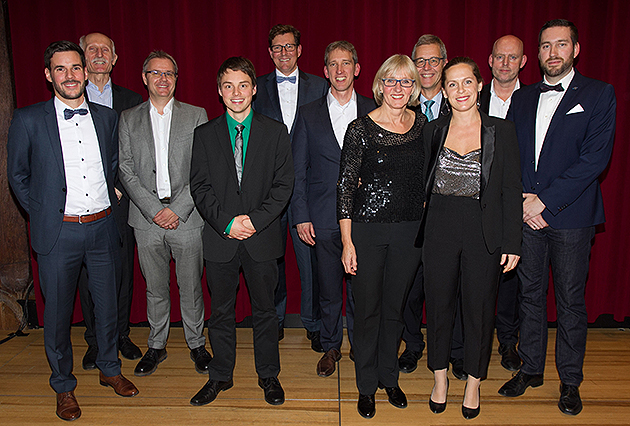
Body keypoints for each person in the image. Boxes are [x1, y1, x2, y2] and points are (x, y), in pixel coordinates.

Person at [7, 40, 139, 421]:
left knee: (109, 307)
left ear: (86, 71)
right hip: (58, 233)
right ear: (49, 75)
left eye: (76, 68)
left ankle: (109, 370)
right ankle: (63, 386)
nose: (70, 75)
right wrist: (46, 213)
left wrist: (111, 194)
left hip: (102, 229)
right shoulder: (28, 119)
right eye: (61, 69)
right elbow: (18, 175)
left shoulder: (107, 117)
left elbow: (112, 164)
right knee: (59, 315)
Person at [498, 19, 616, 416]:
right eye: (546, 45)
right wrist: (521, 202)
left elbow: (593, 162)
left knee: (569, 303)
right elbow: (509, 157)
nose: (553, 53)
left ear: (575, 49)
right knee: (529, 297)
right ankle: (531, 369)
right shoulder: (523, 96)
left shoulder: (599, 94)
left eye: (561, 45)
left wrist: (543, 203)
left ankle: (570, 381)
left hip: (570, 217)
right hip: (526, 217)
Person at [419, 57, 522, 420]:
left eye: (466, 83)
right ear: (443, 91)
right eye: (452, 84)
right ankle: (440, 378)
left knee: (479, 311)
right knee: (440, 306)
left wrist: (512, 242)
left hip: (484, 231)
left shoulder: (501, 130)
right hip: (440, 229)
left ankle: (474, 382)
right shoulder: (433, 129)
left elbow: (511, 190)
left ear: (479, 85)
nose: (460, 90)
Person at [189, 57, 294, 406]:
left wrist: (253, 221)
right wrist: (227, 222)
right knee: (220, 312)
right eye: (229, 86)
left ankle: (268, 375)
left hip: (261, 238)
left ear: (254, 89)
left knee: (266, 312)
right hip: (220, 239)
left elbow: (283, 186)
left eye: (243, 85)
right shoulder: (203, 135)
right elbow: (200, 187)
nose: (237, 93)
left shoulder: (275, 132)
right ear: (220, 91)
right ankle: (221, 376)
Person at [337, 54, 425, 419]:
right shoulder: (360, 129)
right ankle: (365, 385)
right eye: (392, 81)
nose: (398, 89)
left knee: (394, 310)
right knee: (368, 312)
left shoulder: (423, 126)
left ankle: (389, 377)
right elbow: (344, 188)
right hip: (367, 231)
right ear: (380, 85)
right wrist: (347, 242)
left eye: (406, 82)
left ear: (414, 87)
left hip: (409, 233)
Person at [118, 50, 210, 377]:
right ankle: (156, 345)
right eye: (155, 73)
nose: (163, 79)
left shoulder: (197, 115)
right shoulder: (128, 118)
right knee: (154, 287)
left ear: (176, 79)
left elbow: (203, 170)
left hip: (187, 216)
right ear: (144, 78)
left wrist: (177, 209)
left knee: (191, 286)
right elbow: (126, 171)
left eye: (169, 73)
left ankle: (197, 343)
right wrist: (156, 211)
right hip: (146, 219)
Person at [292, 40, 376, 377]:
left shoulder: (375, 110)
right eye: (333, 64)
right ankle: (330, 347)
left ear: (356, 69)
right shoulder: (308, 113)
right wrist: (300, 215)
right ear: (325, 71)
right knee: (328, 289)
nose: (340, 70)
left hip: (366, 218)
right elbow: (297, 170)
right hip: (322, 217)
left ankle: (359, 344)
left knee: (361, 289)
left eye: (346, 63)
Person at [253, 24, 328, 349]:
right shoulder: (254, 88)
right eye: (277, 48)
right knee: (270, 259)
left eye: (289, 46)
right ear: (270, 53)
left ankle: (312, 322)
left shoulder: (320, 86)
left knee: (309, 261)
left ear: (299, 50)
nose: (284, 52)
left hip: (308, 190)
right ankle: (276, 318)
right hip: (267, 191)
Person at [400, 34, 466, 381]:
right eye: (419, 61)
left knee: (451, 286)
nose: (426, 68)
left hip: (449, 216)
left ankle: (455, 350)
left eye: (433, 61)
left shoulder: (462, 105)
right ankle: (412, 344)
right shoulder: (399, 107)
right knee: (410, 286)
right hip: (409, 217)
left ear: (444, 63)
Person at [77, 31, 144, 369]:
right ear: (82, 56)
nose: (100, 54)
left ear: (115, 59)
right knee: (88, 275)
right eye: (92, 49)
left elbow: (135, 153)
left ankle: (120, 334)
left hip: (120, 200)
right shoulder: (72, 98)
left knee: (122, 271)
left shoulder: (132, 100)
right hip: (81, 206)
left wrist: (118, 186)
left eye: (106, 50)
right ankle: (95, 341)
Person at [479, 34, 528, 372]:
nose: (506, 63)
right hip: (474, 207)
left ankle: (508, 342)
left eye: (513, 57)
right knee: (474, 283)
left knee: (510, 280)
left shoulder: (535, 99)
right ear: (491, 60)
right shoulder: (470, 96)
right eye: (500, 57)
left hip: (517, 201)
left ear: (523, 62)